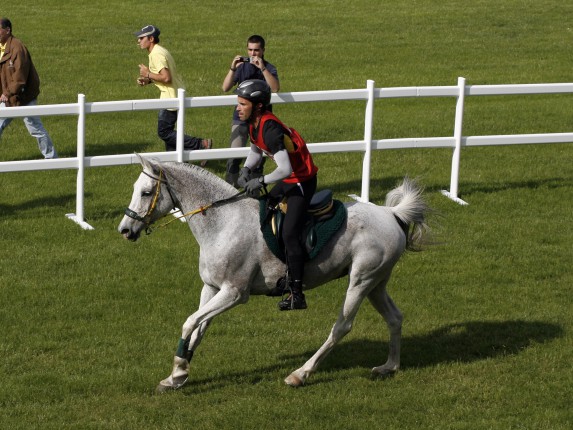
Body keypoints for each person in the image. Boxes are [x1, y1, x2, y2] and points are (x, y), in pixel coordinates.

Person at [235, 80, 318, 311]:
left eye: (242, 104)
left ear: (259, 106)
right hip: (288, 181)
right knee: (266, 210)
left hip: (301, 182)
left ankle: (297, 293)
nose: (238, 108)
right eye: (238, 104)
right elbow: (255, 149)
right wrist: (246, 169)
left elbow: (285, 170)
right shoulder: (253, 124)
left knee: (290, 233)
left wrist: (260, 179)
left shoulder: (270, 129)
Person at [134, 25, 211, 165]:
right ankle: (175, 163)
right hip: (173, 94)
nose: (138, 41)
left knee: (164, 132)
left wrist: (147, 74)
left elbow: (166, 78)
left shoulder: (156, 54)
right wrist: (148, 80)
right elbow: (164, 77)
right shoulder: (159, 51)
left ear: (151, 39)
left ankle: (201, 144)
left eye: (141, 38)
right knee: (169, 136)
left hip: (170, 98)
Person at [222, 35, 279, 186]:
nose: (253, 54)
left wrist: (263, 69)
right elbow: (225, 87)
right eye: (250, 50)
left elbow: (275, 88)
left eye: (256, 50)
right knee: (234, 155)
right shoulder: (241, 68)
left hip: (261, 120)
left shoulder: (269, 68)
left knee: (258, 158)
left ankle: (254, 191)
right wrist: (233, 68)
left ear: (263, 50)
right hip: (240, 116)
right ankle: (230, 188)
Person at [0, 18, 57, 159]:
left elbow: (20, 77)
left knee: (35, 129)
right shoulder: (1, 47)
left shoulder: (17, 48)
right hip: (9, 97)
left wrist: (6, 93)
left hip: (23, 97)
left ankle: (52, 158)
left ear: (8, 30)